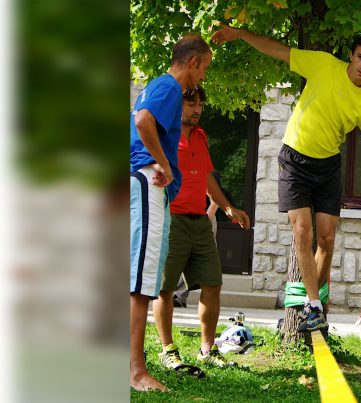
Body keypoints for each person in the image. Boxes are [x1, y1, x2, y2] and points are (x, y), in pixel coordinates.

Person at [211, 25, 361, 332]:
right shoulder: (322, 64)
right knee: (303, 232)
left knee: (327, 239)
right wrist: (240, 34)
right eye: (360, 57)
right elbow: (277, 49)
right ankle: (314, 306)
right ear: (351, 56)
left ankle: (310, 305)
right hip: (295, 159)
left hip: (328, 167)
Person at [130, 33, 211, 391]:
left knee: (141, 278)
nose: (203, 78)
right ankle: (135, 372)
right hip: (148, 181)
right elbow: (143, 120)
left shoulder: (158, 85)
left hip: (145, 185)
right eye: (204, 69)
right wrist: (164, 164)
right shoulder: (170, 87)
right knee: (142, 282)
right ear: (192, 62)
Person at [152, 86, 251, 372]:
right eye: (190, 103)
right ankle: (168, 350)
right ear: (176, 104)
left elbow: (207, 177)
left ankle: (207, 349)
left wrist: (228, 207)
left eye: (200, 104)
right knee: (166, 289)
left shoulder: (201, 136)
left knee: (212, 284)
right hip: (172, 219)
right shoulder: (163, 136)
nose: (196, 109)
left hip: (200, 222)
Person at [172, 170, 220, 308]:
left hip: (206, 217)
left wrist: (204, 222)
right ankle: (176, 295)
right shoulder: (180, 170)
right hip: (185, 218)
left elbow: (215, 202)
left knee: (199, 259)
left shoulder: (211, 173)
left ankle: (180, 296)